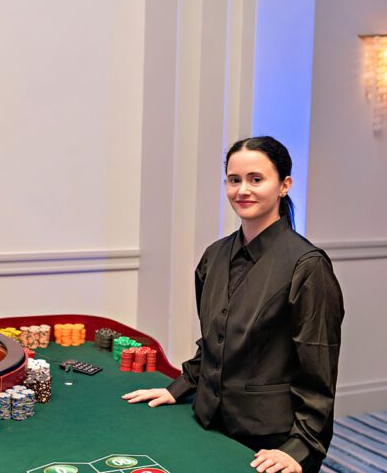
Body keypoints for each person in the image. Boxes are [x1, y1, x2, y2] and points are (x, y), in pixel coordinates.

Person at [123, 136, 344, 473]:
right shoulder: (213, 256)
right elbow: (214, 342)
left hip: (269, 442)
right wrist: (180, 387)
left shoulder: (308, 265)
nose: (243, 190)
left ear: (284, 185)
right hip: (209, 423)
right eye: (234, 180)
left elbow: (319, 371)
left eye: (256, 179)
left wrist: (300, 447)